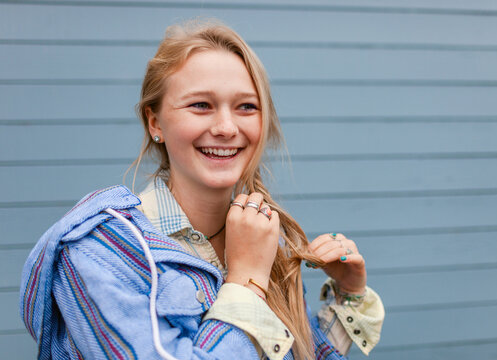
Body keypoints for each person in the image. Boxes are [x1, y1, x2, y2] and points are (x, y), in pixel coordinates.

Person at [20, 20, 384, 360]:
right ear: (154, 122)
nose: (226, 127)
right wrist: (246, 282)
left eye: (246, 106)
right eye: (200, 105)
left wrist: (350, 296)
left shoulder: (262, 237)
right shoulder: (99, 251)